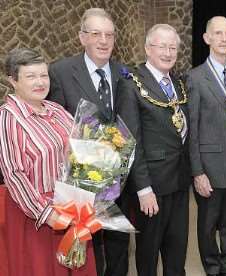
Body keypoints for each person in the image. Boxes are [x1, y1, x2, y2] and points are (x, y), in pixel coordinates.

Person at [46, 8, 129, 276]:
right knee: (88, 248)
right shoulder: (60, 71)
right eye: (96, 34)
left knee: (118, 245)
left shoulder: (124, 73)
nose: (103, 41)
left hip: (119, 180)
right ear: (82, 38)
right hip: (81, 182)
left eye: (109, 35)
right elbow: (55, 123)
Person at [0, 48, 96, 275]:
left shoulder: (56, 109)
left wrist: (94, 183)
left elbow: (83, 146)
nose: (40, 82)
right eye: (31, 76)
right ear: (13, 80)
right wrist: (49, 215)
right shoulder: (7, 118)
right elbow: (14, 175)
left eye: (43, 75)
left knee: (77, 266)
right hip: (37, 218)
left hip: (73, 209)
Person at [116, 23, 191, 276]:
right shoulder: (132, 84)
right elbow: (130, 140)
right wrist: (143, 188)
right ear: (148, 48)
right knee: (149, 253)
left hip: (180, 183)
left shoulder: (178, 83)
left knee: (177, 250)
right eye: (162, 46)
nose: (168, 52)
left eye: (173, 47)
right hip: (152, 188)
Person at [186, 16, 226, 276]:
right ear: (207, 38)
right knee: (207, 225)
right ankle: (212, 268)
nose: (223, 38)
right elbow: (192, 129)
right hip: (209, 169)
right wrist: (197, 171)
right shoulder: (195, 77)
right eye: (218, 33)